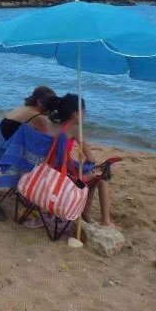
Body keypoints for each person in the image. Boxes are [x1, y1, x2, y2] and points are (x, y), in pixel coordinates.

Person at [47, 93, 116, 228]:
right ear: (75, 114)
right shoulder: (74, 129)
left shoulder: (50, 125)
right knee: (100, 178)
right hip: (63, 177)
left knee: (93, 174)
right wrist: (86, 166)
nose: (85, 116)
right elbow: (90, 158)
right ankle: (105, 221)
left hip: (48, 171)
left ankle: (86, 214)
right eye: (83, 112)